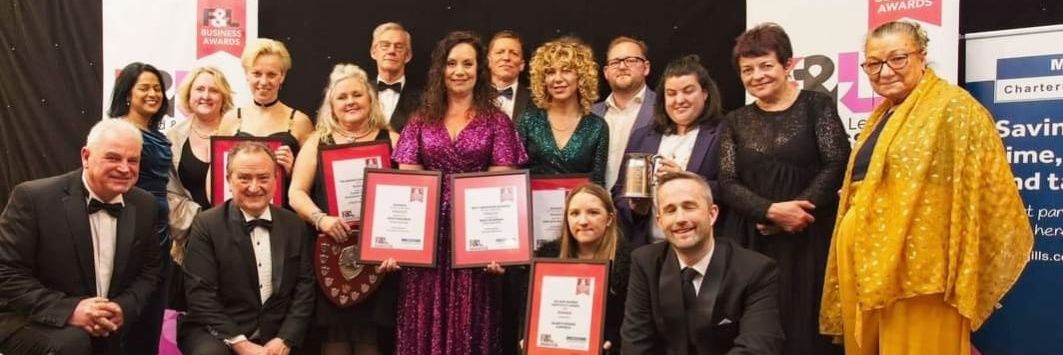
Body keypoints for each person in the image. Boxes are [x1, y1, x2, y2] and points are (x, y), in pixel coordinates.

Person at [820, 20, 1033, 355]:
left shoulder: (954, 108)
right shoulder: (883, 115)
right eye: (874, 63)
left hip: (921, 264)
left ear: (922, 56)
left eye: (897, 58)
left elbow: (986, 184)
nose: (885, 71)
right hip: (864, 252)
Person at [391, 31, 528, 354]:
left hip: (474, 246)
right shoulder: (420, 120)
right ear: (440, 69)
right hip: (427, 244)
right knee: (423, 322)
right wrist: (402, 240)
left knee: (471, 325)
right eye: (451, 63)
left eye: (468, 63)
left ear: (480, 70)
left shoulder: (497, 122)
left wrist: (497, 249)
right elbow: (409, 183)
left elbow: (501, 190)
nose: (459, 71)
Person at [717, 23, 850, 355]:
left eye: (766, 65)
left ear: (787, 64)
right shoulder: (734, 121)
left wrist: (796, 211)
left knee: (806, 331)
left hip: (809, 238)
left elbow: (837, 165)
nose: (757, 75)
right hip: (752, 241)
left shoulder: (817, 106)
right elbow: (728, 182)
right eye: (747, 70)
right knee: (757, 329)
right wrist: (770, 212)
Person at [0, 119, 162, 355]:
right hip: (34, 321)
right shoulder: (34, 198)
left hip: (107, 326)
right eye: (113, 158)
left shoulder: (145, 204)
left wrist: (122, 308)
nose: (125, 168)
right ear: (86, 157)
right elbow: (6, 272)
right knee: (72, 343)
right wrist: (70, 311)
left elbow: (151, 270)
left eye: (133, 160)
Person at [288, 63, 400, 355]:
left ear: (370, 99)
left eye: (357, 95)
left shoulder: (392, 140)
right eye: (342, 97)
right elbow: (295, 193)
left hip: (378, 258)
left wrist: (397, 244)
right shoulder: (317, 141)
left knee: (370, 339)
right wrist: (321, 219)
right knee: (333, 338)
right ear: (331, 106)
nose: (350, 101)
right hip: (330, 256)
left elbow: (409, 199)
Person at [622, 171, 784, 355]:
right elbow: (636, 344)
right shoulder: (644, 263)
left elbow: (758, 348)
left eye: (689, 207)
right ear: (659, 221)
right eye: (670, 210)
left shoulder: (756, 270)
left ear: (712, 214)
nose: (680, 218)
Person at [179, 142, 315, 355]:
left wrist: (286, 338)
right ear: (228, 180)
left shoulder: (294, 224)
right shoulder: (206, 224)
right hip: (216, 331)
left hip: (277, 332)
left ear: (275, 180)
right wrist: (240, 343)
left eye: (263, 178)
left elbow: (304, 287)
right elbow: (201, 295)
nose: (254, 187)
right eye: (244, 178)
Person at [613, 55, 724, 248]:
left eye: (688, 91)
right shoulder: (642, 136)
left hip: (704, 248)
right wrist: (635, 207)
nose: (679, 100)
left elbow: (731, 190)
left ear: (705, 93)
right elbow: (618, 192)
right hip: (649, 250)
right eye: (671, 93)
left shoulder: (723, 133)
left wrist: (687, 180)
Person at [515, 183, 631, 353]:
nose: (583, 221)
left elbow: (632, 324)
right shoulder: (545, 260)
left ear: (609, 219)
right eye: (574, 213)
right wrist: (528, 338)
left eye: (593, 212)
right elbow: (529, 315)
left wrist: (613, 343)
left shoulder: (631, 264)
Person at [106, 61, 173, 354]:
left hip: (160, 228)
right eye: (144, 87)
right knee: (125, 312)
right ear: (127, 93)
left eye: (157, 88)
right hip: (127, 224)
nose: (153, 94)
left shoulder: (158, 134)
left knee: (152, 314)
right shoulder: (117, 132)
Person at [167, 66, 239, 265]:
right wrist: (204, 221)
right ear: (189, 94)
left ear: (223, 97)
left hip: (237, 238)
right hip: (191, 241)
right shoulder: (171, 139)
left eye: (214, 90)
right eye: (199, 89)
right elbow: (170, 194)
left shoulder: (239, 134)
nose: (206, 96)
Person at [517, 37, 609, 185]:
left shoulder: (597, 126)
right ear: (542, 79)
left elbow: (597, 183)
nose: (557, 79)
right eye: (550, 72)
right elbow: (517, 176)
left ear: (581, 77)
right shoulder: (528, 120)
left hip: (579, 206)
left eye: (566, 71)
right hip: (534, 206)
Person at [227, 38, 314, 177]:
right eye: (257, 73)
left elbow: (313, 184)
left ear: (282, 76)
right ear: (246, 74)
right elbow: (217, 177)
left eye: (271, 74)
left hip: (284, 199)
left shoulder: (300, 122)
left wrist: (293, 170)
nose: (263, 81)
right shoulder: (231, 119)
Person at [591, 36, 657, 190]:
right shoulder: (589, 114)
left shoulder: (664, 109)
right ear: (606, 72)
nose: (622, 66)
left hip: (643, 209)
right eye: (615, 62)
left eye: (631, 60)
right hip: (597, 207)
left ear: (646, 67)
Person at [370, 22, 421, 132]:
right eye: (385, 45)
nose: (391, 51)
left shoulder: (425, 99)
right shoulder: (360, 93)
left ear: (407, 56)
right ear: (373, 52)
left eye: (399, 47)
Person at [487, 30, 531, 120]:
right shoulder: (473, 96)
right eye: (500, 52)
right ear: (489, 61)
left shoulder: (534, 101)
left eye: (514, 53)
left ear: (522, 65)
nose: (506, 58)